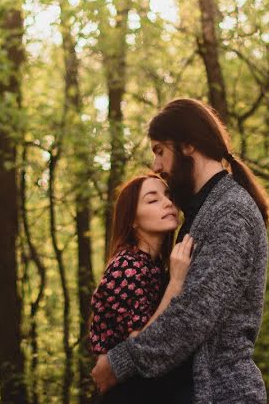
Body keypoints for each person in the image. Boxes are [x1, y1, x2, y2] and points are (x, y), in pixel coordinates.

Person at [92, 98, 269, 403]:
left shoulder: (230, 212)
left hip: (223, 393)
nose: (156, 166)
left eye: (160, 151)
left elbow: (193, 316)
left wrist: (118, 363)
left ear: (188, 145)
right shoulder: (203, 212)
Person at [88, 173, 195, 403]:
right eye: (152, 200)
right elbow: (142, 343)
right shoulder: (127, 265)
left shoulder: (152, 266)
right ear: (133, 220)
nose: (167, 203)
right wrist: (176, 282)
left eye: (167, 196)